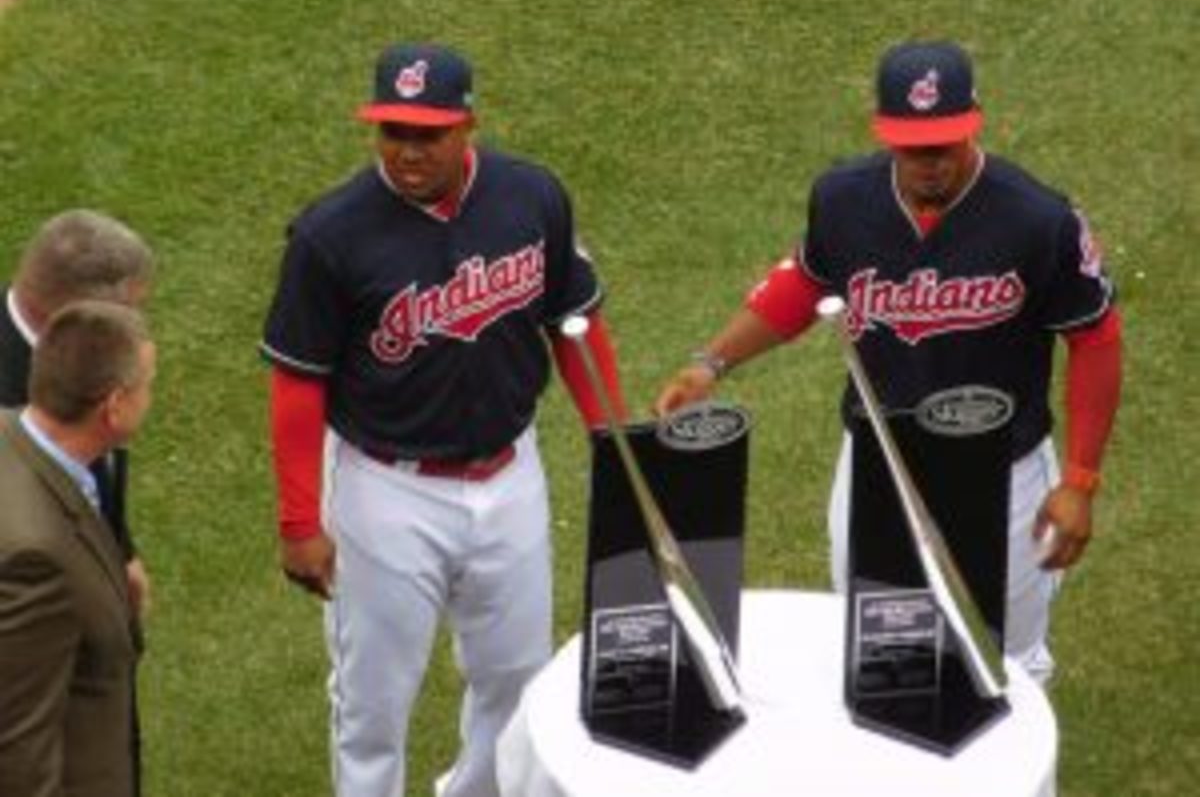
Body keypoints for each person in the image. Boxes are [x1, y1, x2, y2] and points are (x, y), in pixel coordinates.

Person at [655, 40, 1122, 684]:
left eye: (945, 145)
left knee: (1008, 664)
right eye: (913, 147)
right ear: (883, 131)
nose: (930, 163)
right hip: (879, 463)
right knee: (873, 648)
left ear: (975, 121)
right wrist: (710, 363)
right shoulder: (844, 200)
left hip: (1005, 476)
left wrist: (1079, 481)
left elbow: (1095, 339)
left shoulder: (1039, 219)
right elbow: (806, 283)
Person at [261, 42, 626, 797]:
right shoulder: (331, 236)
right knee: (372, 705)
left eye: (427, 133)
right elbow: (298, 382)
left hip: (511, 473)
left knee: (517, 682)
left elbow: (575, 327)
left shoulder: (531, 198)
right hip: (385, 492)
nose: (409, 151)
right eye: (394, 132)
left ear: (467, 125)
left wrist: (614, 442)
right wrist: (300, 519)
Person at [0, 300, 157, 797]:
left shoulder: (12, 434)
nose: (150, 397)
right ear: (113, 406)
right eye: (146, 386)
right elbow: (20, 746)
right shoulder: (37, 558)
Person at [1, 209, 155, 616]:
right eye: (132, 310)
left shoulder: (71, 355)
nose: (138, 324)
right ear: (81, 311)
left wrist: (119, 549)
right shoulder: (11, 401)